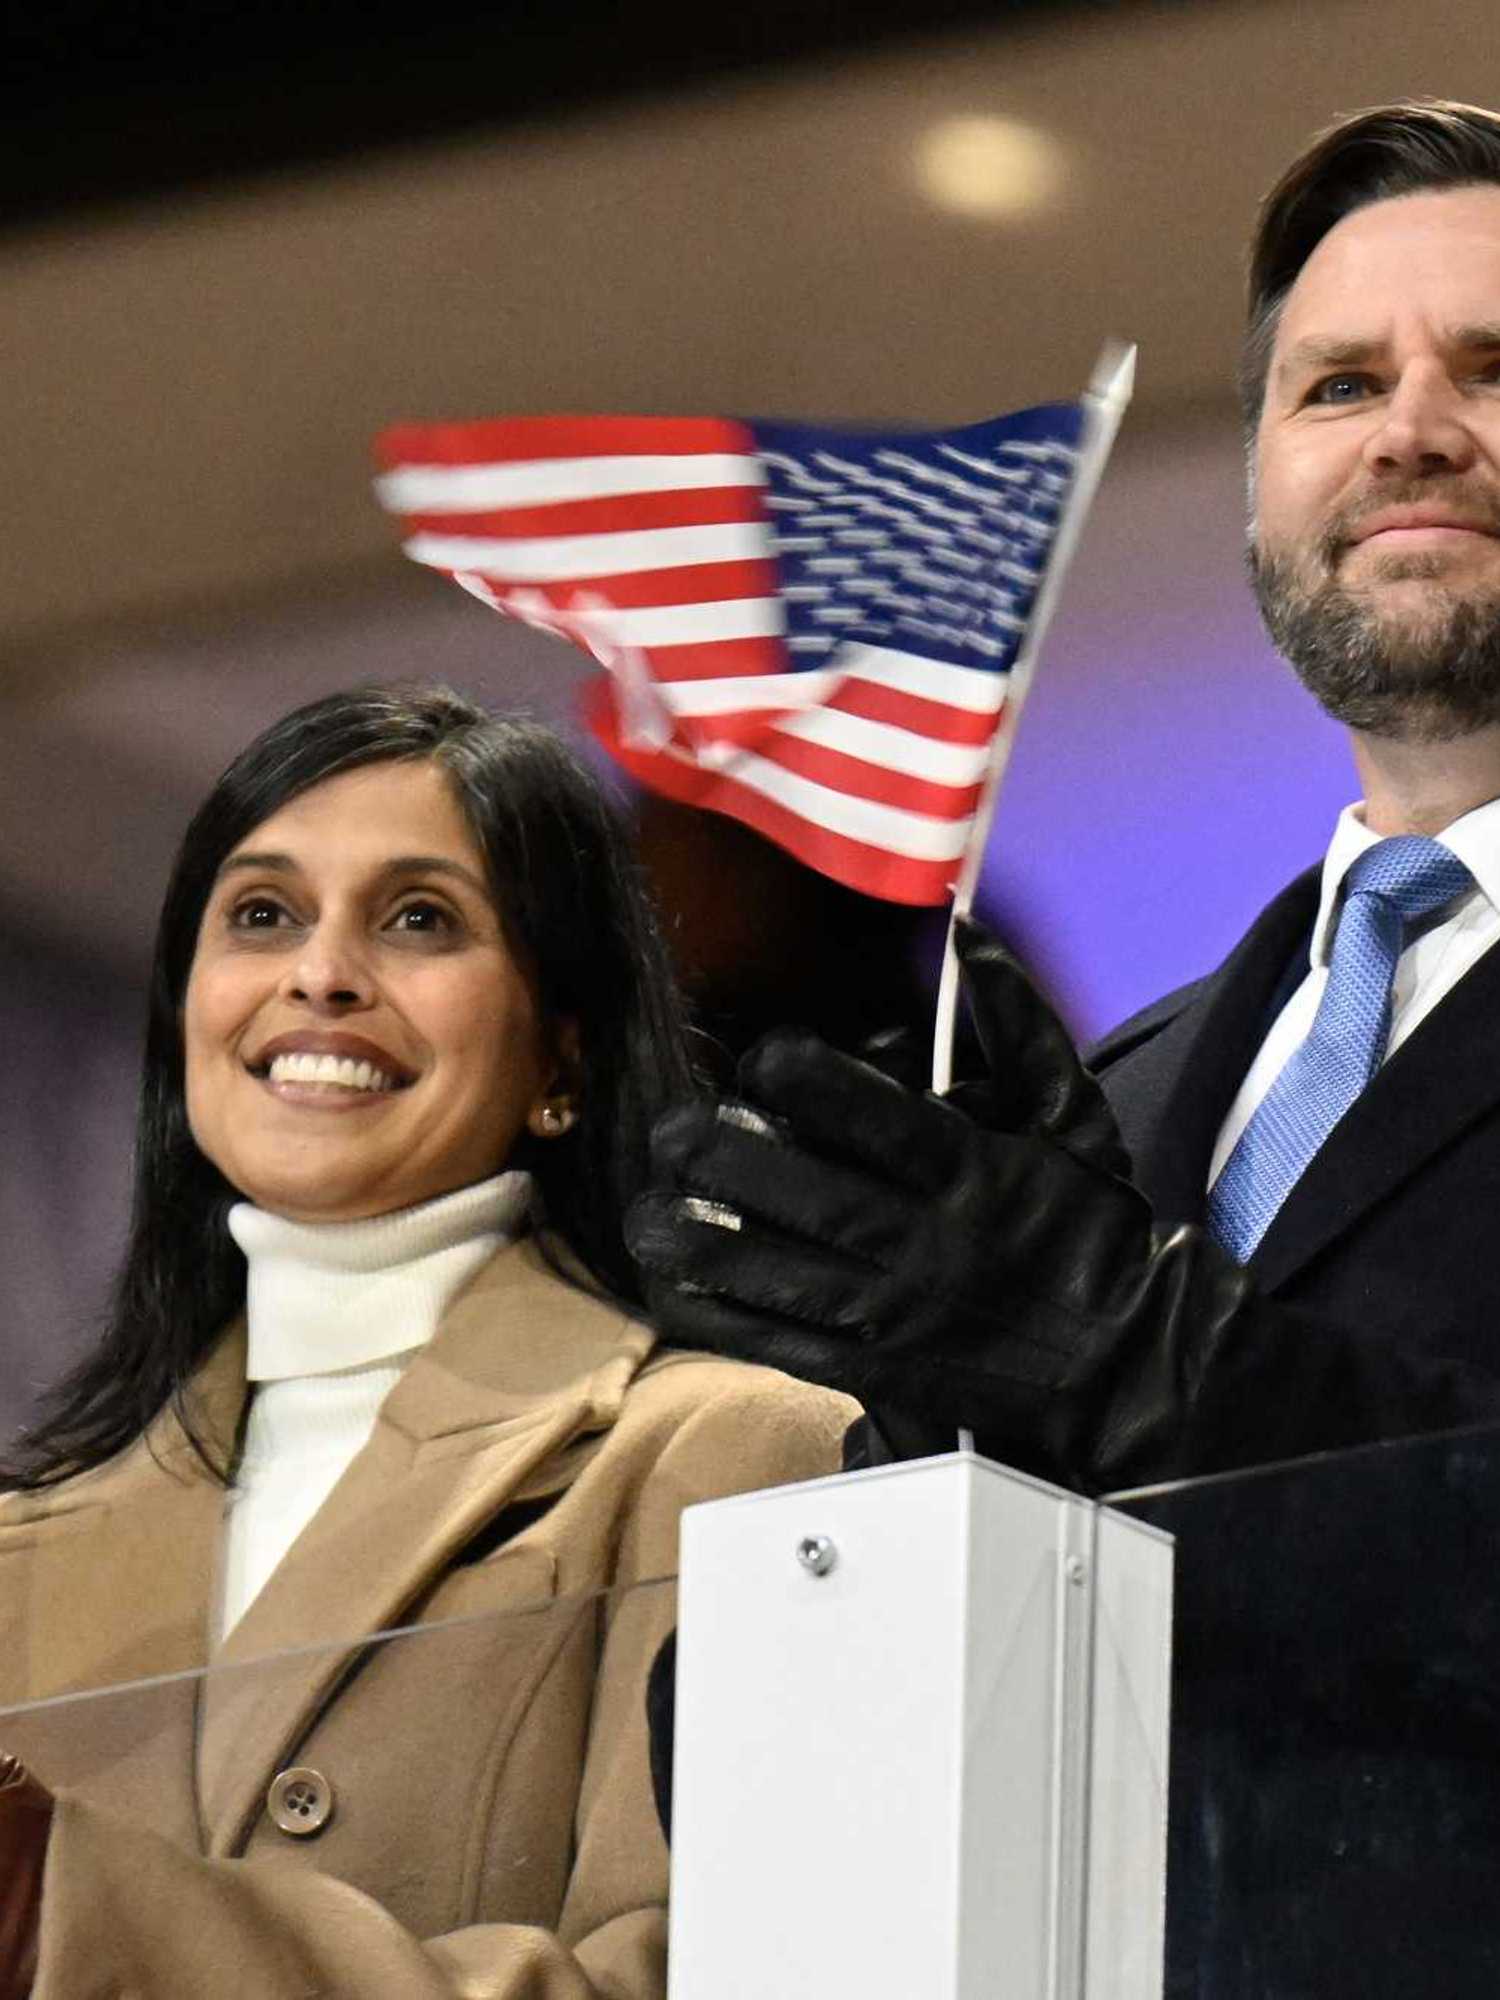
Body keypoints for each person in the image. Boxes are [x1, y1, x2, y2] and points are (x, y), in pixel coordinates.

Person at [628, 98, 1500, 1493]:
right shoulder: (1119, 1094)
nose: (1409, 433)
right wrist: (935, 1424)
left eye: (1493, 367)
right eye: (1337, 386)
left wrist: (1116, 1354)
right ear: (1260, 487)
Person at [0, 684, 853, 1997]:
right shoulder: (23, 1548)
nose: (322, 973)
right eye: (263, 914)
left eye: (418, 919)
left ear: (563, 1052)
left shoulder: (736, 1453)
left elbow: (722, 1982)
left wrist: (56, 1900)